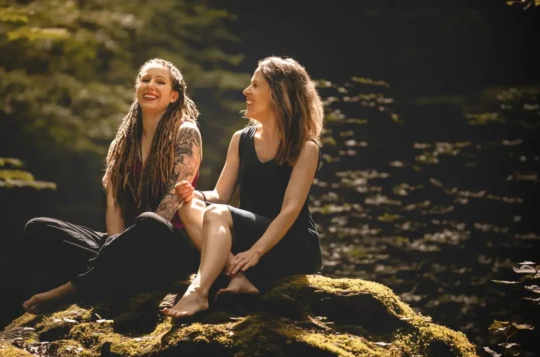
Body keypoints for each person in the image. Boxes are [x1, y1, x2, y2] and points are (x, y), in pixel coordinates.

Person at [21, 58, 202, 314]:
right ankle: (119, 277)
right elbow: (114, 204)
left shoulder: (186, 131)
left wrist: (122, 249)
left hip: (169, 243)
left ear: (174, 96)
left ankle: (74, 289)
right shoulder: (124, 141)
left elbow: (170, 204)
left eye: (160, 82)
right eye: (145, 79)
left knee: (150, 221)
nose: (150, 85)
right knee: (38, 228)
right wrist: (114, 247)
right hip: (127, 245)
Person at [162, 56, 323, 318]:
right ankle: (237, 278)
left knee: (217, 213)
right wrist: (196, 195)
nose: (246, 92)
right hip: (247, 243)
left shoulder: (306, 147)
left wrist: (256, 251)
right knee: (190, 206)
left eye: (255, 86)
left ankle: (198, 293)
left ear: (280, 93)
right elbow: (220, 195)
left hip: (291, 244)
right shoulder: (241, 139)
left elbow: (290, 211)